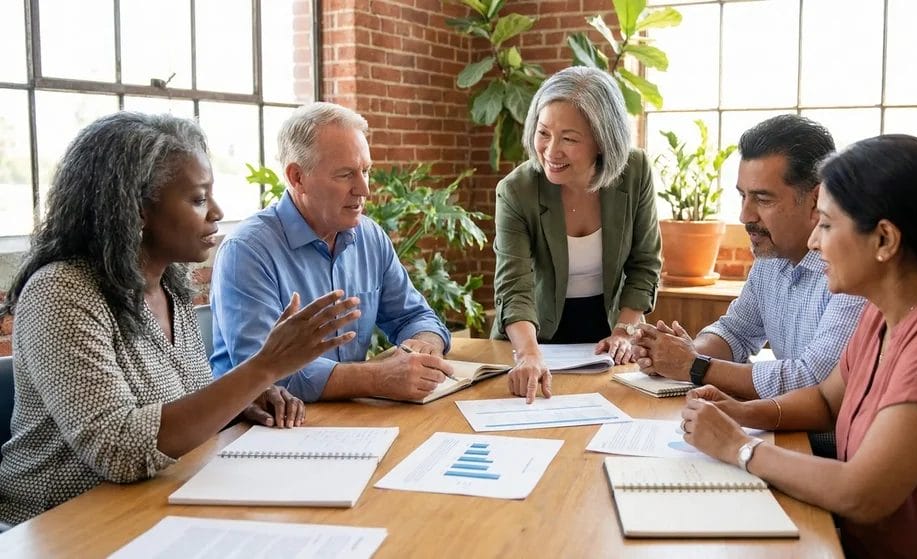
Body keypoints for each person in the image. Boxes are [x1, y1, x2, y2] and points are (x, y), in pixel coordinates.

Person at [0, 112, 358, 526]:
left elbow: (181, 400)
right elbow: (121, 450)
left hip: (159, 504)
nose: (217, 212)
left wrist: (242, 400)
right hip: (60, 526)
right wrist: (265, 367)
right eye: (198, 199)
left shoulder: (168, 283)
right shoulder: (61, 292)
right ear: (135, 210)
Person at [681, 135, 917, 557]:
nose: (813, 242)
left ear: (884, 240)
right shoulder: (885, 310)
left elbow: (862, 494)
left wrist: (737, 446)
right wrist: (743, 412)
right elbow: (827, 401)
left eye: (825, 224)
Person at [632, 114, 864, 456]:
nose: (744, 216)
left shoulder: (854, 272)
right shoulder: (771, 257)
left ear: (817, 201)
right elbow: (736, 331)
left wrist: (696, 366)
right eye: (742, 196)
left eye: (763, 199)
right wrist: (679, 354)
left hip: (831, 452)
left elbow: (813, 381)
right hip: (783, 436)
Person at [210, 102, 454, 403]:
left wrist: (424, 344)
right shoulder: (246, 251)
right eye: (345, 175)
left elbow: (415, 315)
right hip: (260, 430)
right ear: (297, 177)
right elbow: (263, 372)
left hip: (347, 419)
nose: (364, 189)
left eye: (366, 171)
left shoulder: (370, 236)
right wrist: (378, 377)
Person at [492, 66, 662, 403]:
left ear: (602, 140)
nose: (551, 150)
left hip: (611, 337)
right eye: (543, 133)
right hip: (533, 336)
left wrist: (625, 332)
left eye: (569, 138)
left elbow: (644, 264)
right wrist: (528, 354)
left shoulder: (635, 171)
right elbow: (514, 286)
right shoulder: (517, 191)